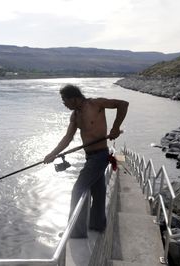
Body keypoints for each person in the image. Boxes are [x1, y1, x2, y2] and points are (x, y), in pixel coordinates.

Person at [44, 84, 128, 238]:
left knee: (78, 189)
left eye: (65, 101)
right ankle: (97, 225)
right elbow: (67, 138)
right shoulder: (75, 116)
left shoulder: (96, 104)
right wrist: (52, 154)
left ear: (74, 98)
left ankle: (76, 232)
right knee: (98, 190)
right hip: (90, 157)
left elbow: (123, 104)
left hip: (100, 156)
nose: (64, 105)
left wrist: (116, 128)